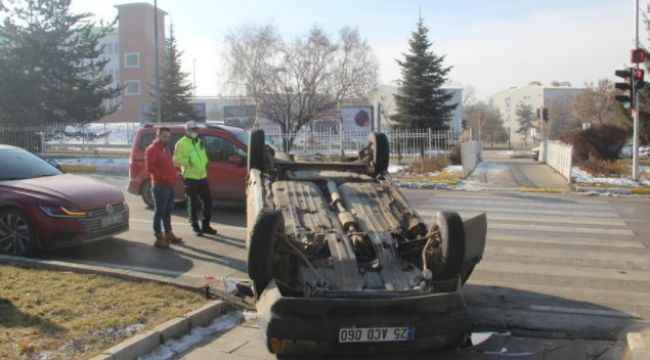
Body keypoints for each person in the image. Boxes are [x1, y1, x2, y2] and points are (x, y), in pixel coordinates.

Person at [173, 121, 218, 236]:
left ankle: (206, 225)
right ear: (187, 131)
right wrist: (189, 162)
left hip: (202, 176)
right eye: (193, 130)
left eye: (196, 129)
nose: (195, 132)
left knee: (208, 201)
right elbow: (176, 160)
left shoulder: (200, 142)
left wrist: (205, 162)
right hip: (190, 177)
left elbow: (203, 156)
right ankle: (195, 226)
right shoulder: (181, 143)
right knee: (193, 203)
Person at [145, 127, 182, 248]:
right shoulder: (152, 150)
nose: (167, 139)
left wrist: (174, 174)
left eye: (168, 137)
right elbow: (150, 168)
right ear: (158, 136)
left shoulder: (165, 149)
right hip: (160, 186)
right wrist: (165, 176)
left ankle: (168, 233)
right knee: (159, 212)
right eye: (165, 136)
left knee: (168, 211)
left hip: (169, 185)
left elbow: (169, 164)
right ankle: (158, 237)